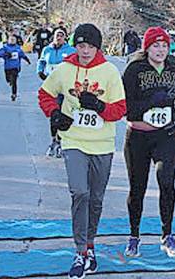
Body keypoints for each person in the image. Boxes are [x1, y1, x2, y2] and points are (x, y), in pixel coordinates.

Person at [38, 23, 126, 279]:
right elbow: (45, 94)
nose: (85, 51)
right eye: (81, 45)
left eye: (90, 46)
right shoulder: (64, 69)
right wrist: (54, 113)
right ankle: (80, 250)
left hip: (102, 144)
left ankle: (90, 245)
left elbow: (120, 109)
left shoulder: (109, 72)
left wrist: (99, 105)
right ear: (75, 45)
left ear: (97, 47)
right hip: (73, 141)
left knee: (96, 199)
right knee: (80, 192)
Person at [121, 27, 175, 259]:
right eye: (155, 45)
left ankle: (167, 235)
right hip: (138, 135)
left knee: (166, 182)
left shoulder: (174, 67)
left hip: (166, 135)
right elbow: (125, 107)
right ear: (146, 47)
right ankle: (134, 237)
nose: (160, 50)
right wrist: (149, 103)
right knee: (137, 187)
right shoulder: (134, 69)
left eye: (164, 46)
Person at [38, 27, 76, 158]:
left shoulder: (71, 51)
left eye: (61, 35)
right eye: (57, 35)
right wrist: (40, 71)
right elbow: (42, 61)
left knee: (62, 112)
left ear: (65, 37)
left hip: (64, 88)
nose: (58, 37)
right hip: (50, 86)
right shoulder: (47, 49)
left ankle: (61, 141)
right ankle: (53, 140)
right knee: (53, 114)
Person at [0, 34, 31, 101]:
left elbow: (22, 55)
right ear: (8, 40)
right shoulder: (5, 47)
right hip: (7, 67)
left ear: (16, 41)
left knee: (14, 80)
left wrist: (27, 60)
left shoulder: (18, 48)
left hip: (15, 67)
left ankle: (14, 94)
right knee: (8, 79)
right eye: (11, 39)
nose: (12, 41)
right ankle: (10, 81)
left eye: (14, 40)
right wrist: (5, 54)